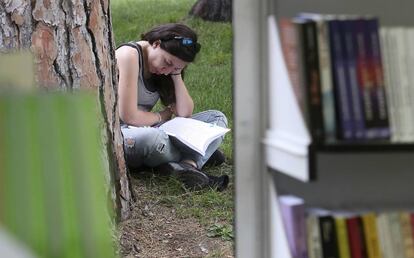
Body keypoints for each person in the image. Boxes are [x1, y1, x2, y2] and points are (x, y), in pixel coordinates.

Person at [115, 23, 229, 191]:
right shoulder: (129, 55)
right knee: (152, 137)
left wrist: (176, 74)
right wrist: (162, 116)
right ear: (156, 43)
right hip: (121, 133)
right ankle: (197, 153)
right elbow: (128, 116)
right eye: (167, 62)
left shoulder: (168, 71)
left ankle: (187, 165)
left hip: (149, 127)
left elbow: (185, 112)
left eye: (175, 68)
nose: (166, 70)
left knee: (216, 118)